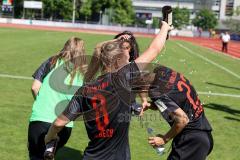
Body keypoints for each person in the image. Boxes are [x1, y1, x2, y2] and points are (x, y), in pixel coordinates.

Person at [44, 21, 171, 160]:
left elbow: (58, 123)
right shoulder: (123, 78)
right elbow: (154, 50)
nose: (129, 59)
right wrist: (165, 27)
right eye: (126, 57)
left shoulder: (84, 89)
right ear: (117, 61)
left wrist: (49, 137)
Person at [136, 65, 213, 160]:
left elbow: (182, 119)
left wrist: (164, 139)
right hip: (203, 133)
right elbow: (174, 100)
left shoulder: (155, 92)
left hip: (191, 142)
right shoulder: (163, 71)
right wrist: (148, 103)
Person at [28, 37, 87, 160]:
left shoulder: (52, 61)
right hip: (64, 124)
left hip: (40, 119)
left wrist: (42, 103)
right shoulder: (83, 72)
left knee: (36, 156)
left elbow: (34, 87)